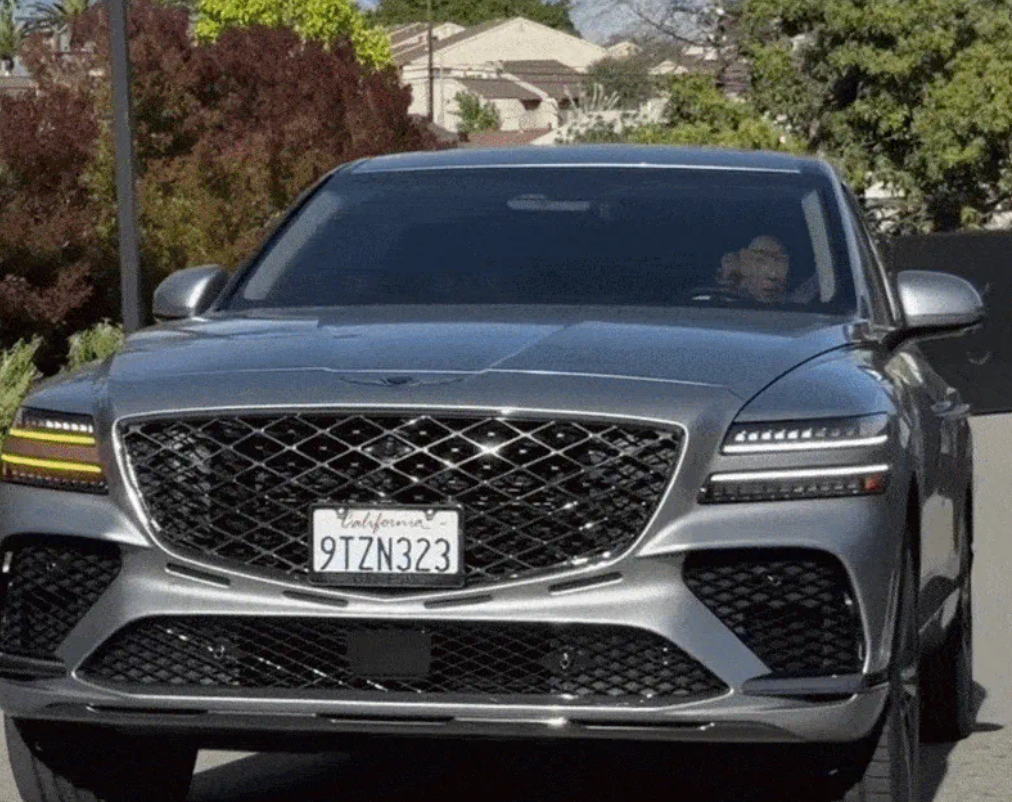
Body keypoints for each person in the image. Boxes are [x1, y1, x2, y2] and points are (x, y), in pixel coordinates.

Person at [718, 235, 791, 303]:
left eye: (781, 260)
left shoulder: (794, 303)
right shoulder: (723, 300)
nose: (772, 274)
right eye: (761, 260)